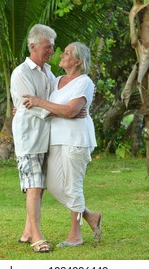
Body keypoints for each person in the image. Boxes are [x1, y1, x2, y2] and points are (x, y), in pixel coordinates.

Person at [23, 42, 102, 247]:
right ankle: (90, 216)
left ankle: (75, 235)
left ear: (77, 61)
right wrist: (26, 109)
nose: (62, 55)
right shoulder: (57, 80)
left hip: (76, 140)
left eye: (67, 53)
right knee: (54, 186)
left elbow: (70, 111)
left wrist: (40, 102)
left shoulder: (84, 82)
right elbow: (54, 109)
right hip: (55, 139)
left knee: (73, 187)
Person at [10, 24, 56, 253]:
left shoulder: (49, 72)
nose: (52, 51)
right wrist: (61, 110)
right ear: (33, 46)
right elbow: (31, 106)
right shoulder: (21, 73)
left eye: (53, 47)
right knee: (33, 186)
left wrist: (58, 106)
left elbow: (50, 100)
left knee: (39, 187)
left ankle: (28, 231)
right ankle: (36, 237)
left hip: (46, 137)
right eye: (48, 46)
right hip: (28, 137)